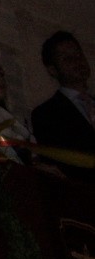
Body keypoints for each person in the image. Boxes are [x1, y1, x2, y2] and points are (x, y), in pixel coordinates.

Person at [30, 31, 95, 162]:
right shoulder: (46, 114)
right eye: (67, 58)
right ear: (52, 70)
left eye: (78, 54)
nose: (77, 61)